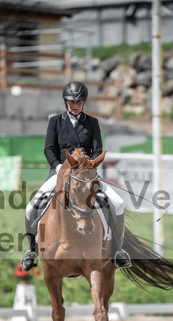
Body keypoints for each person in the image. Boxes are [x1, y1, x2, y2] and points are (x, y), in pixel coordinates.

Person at [21, 81, 131, 271]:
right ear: (66, 101)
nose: (75, 105)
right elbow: (49, 149)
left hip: (85, 175)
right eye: (71, 101)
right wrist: (58, 167)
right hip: (60, 173)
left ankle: (118, 250)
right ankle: (31, 250)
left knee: (118, 203)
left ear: (83, 102)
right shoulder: (55, 121)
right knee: (31, 207)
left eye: (78, 102)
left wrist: (89, 167)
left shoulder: (92, 122)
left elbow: (97, 150)